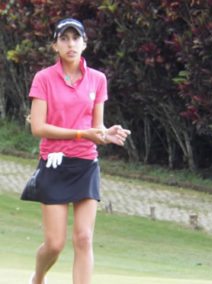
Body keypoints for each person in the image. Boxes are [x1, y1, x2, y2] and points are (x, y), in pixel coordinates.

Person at [21, 18, 131, 284]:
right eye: (64, 39)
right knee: (55, 244)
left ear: (85, 43)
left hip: (85, 164)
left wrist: (106, 134)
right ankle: (38, 277)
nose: (71, 44)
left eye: (76, 38)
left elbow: (96, 127)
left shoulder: (98, 79)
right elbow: (38, 127)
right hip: (55, 163)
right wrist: (82, 134)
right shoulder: (43, 78)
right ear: (55, 46)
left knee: (83, 238)